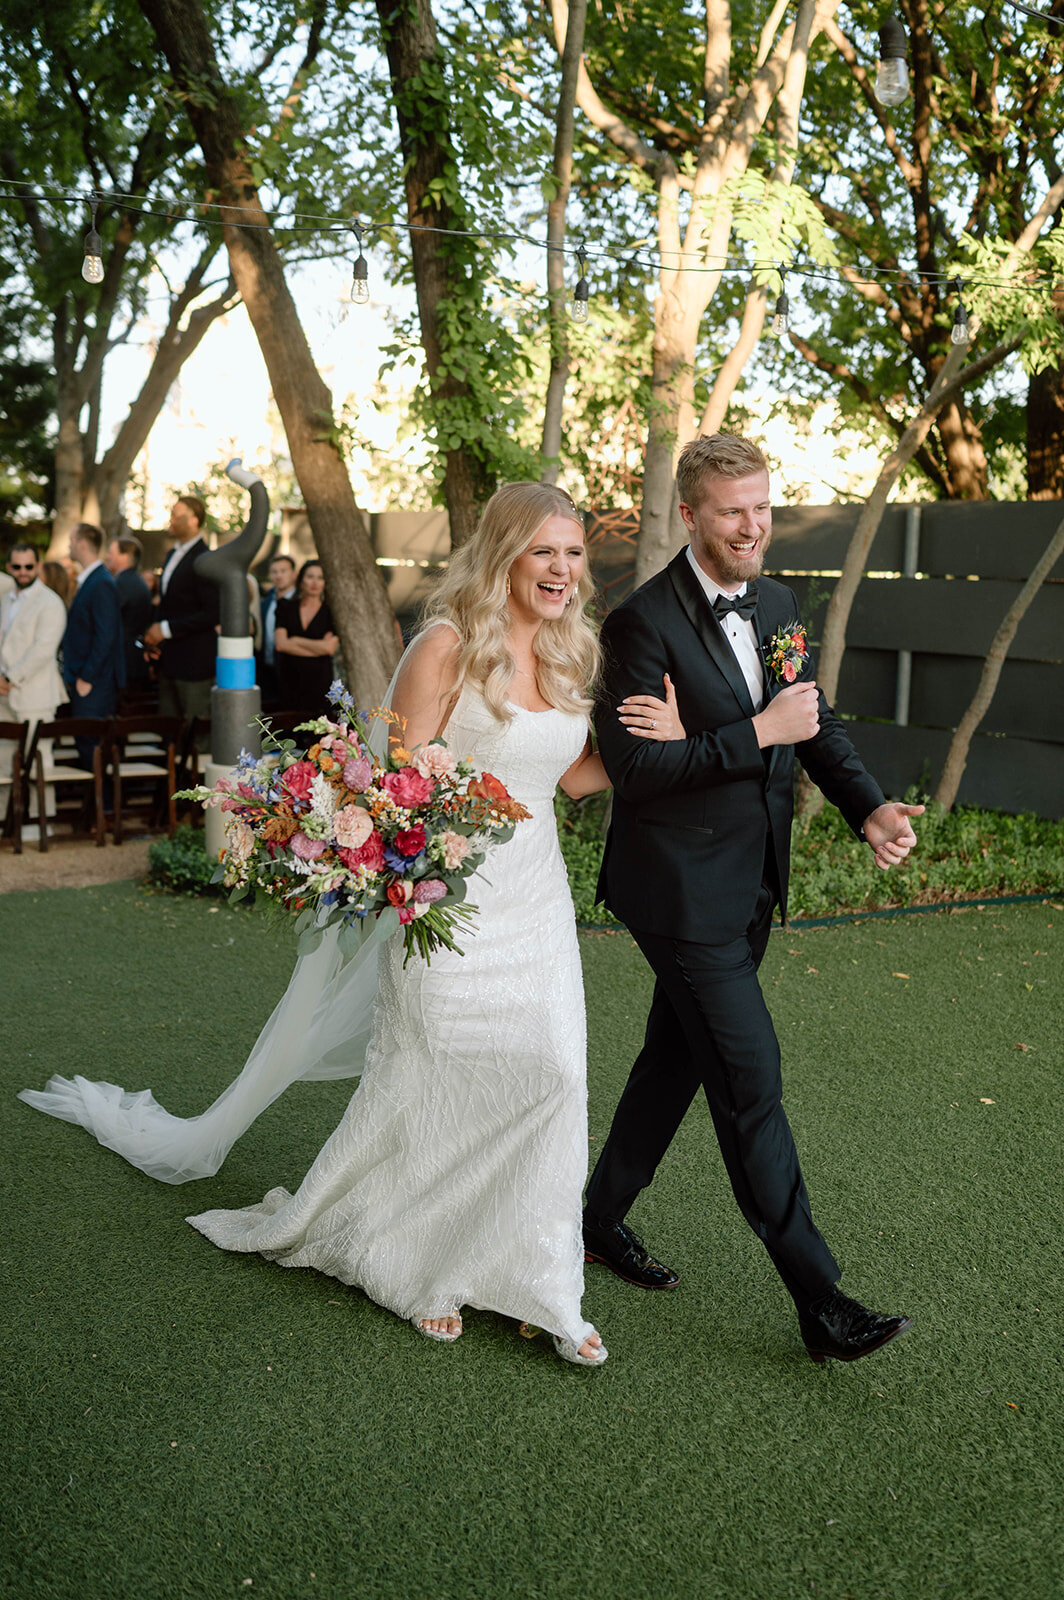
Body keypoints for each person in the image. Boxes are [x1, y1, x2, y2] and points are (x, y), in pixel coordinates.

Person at [19, 482, 680, 1366]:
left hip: (535, 899)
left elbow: (567, 778)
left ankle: (539, 1278)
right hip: (449, 901)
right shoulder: (446, 645)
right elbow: (386, 779)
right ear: (504, 556)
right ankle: (413, 1264)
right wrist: (411, 862)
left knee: (554, 1076)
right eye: (543, 553)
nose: (562, 571)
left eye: (572, 555)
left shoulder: (573, 654)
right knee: (437, 1071)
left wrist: (661, 740)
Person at [584, 434, 924, 1366]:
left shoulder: (777, 603)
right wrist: (754, 730)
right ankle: (822, 1301)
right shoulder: (638, 625)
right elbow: (640, 772)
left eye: (764, 507)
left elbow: (812, 723)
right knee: (750, 1080)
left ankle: (596, 1218)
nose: (755, 526)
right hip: (678, 894)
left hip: (753, 886)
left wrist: (868, 809)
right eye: (734, 511)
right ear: (690, 516)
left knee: (673, 1061)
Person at [143, 494, 218, 723]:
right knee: (168, 728)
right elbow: (167, 602)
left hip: (194, 662)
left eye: (177, 515)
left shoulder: (206, 559)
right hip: (169, 660)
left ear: (194, 520)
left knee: (194, 732)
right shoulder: (171, 554)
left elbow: (212, 613)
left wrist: (166, 629)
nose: (171, 520)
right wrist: (155, 636)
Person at [0, 542, 67, 793]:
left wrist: (10, 677)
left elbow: (43, 649)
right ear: (9, 568)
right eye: (17, 567)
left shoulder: (50, 602)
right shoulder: (6, 600)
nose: (23, 571)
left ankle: (41, 826)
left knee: (39, 765)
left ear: (38, 566)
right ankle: (8, 827)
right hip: (4, 696)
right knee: (5, 764)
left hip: (36, 696)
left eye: (29, 566)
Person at [62, 523, 125, 759]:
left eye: (71, 540)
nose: (69, 545)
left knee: (94, 751)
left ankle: (103, 798)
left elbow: (106, 635)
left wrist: (87, 678)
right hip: (85, 679)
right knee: (87, 748)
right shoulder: (93, 580)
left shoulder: (101, 583)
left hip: (94, 684)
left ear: (82, 543)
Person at [274, 559, 338, 719]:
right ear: (301, 580)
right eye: (310, 577)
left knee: (317, 734)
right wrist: (317, 647)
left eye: (320, 578)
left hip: (319, 682)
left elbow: (329, 648)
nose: (315, 582)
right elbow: (281, 644)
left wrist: (295, 640)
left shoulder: (330, 611)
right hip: (289, 679)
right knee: (287, 731)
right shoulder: (285, 606)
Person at [106, 536, 154, 689]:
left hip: (125, 660)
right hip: (133, 657)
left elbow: (110, 619)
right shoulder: (135, 581)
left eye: (112, 553)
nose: (108, 557)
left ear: (124, 556)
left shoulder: (123, 583)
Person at [258, 553, 297, 708]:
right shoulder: (266, 600)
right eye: (274, 572)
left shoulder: (300, 601)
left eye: (283, 571)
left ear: (293, 574)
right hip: (267, 669)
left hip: (292, 671)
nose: (278, 575)